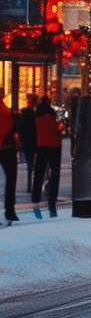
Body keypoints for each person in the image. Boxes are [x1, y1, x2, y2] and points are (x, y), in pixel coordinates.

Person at [30, 96, 62, 219]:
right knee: (55, 173)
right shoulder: (53, 118)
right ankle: (52, 197)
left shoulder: (37, 118)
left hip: (41, 145)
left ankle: (36, 196)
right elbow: (58, 131)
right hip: (55, 146)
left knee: (39, 172)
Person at [1, 96, 19, 225]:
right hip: (7, 148)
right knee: (11, 179)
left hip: (6, 146)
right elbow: (15, 129)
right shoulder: (7, 112)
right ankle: (10, 210)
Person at [17, 93, 36, 194]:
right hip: (34, 141)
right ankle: (31, 184)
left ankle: (29, 184)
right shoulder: (35, 115)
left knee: (29, 161)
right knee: (32, 162)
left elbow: (20, 128)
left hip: (26, 141)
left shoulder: (23, 116)